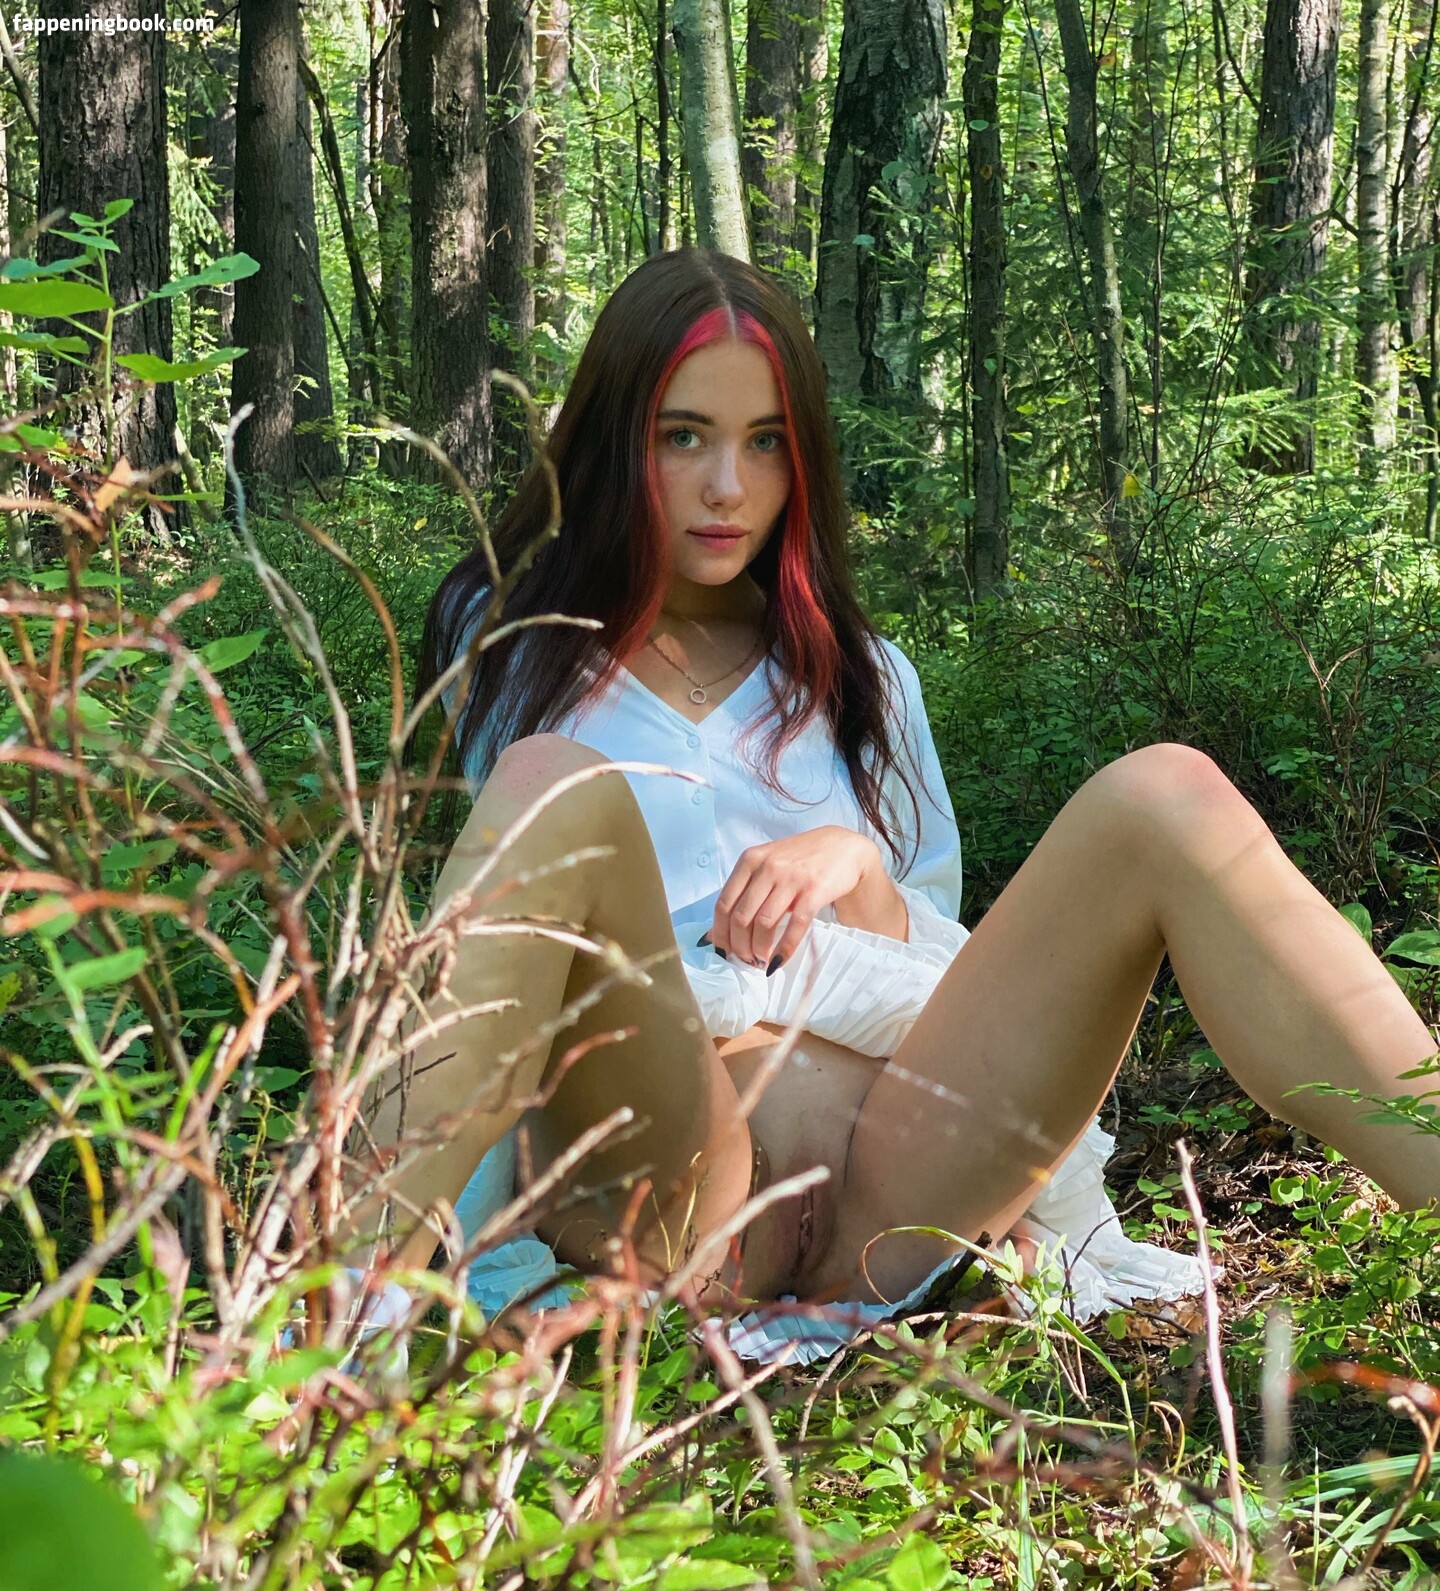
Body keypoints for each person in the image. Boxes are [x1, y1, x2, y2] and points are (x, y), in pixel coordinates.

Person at [348, 248, 1440, 1344]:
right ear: (612, 440)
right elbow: (504, 951)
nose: (727, 487)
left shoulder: (865, 677)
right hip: (678, 1183)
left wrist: (855, 863)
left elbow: (926, 980)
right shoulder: (511, 647)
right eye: (682, 435)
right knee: (551, 780)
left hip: (897, 1194)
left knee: (1169, 793)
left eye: (765, 441)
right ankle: (329, 1304)